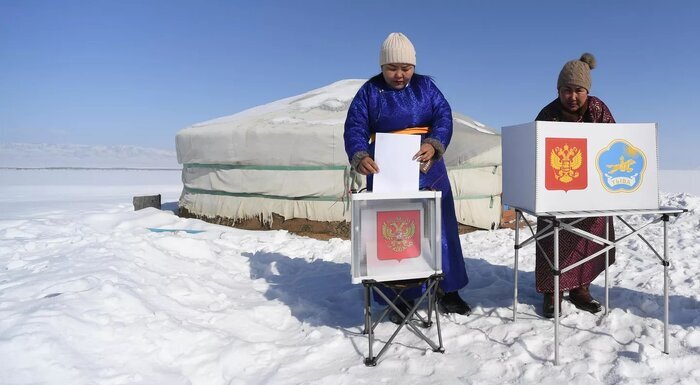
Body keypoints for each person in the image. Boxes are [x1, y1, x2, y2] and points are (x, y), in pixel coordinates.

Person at [344, 32, 471, 323]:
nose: (400, 74)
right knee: (397, 235)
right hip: (387, 172)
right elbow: (355, 127)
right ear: (381, 67)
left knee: (440, 231)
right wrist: (360, 155)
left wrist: (435, 143)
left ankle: (447, 289)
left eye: (406, 68)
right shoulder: (369, 92)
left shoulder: (426, 87)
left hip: (428, 169)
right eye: (392, 68)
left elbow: (444, 117)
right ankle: (400, 295)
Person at [535, 53, 616, 318]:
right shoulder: (547, 114)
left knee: (589, 239)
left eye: (578, 90)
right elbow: (535, 148)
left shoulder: (598, 109)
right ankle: (552, 292)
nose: (572, 96)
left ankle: (581, 288)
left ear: (587, 90)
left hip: (593, 188)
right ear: (559, 91)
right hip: (556, 188)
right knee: (553, 237)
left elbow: (614, 141)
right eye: (566, 90)